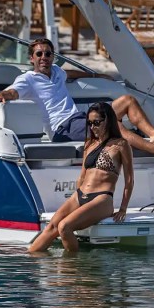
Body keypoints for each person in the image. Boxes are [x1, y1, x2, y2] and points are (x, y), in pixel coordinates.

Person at [0, 38, 154, 160]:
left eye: (48, 54)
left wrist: (97, 75)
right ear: (31, 58)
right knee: (113, 125)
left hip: (80, 118)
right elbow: (13, 92)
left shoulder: (57, 72)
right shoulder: (28, 79)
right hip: (62, 129)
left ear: (53, 57)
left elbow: (72, 73)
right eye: (39, 54)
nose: (44, 57)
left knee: (127, 100)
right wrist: (2, 94)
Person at [28, 102, 134, 252]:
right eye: (90, 123)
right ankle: (30, 261)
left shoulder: (121, 145)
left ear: (108, 121)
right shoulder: (89, 144)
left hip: (102, 198)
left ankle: (74, 269)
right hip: (80, 195)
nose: (92, 127)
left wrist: (123, 208)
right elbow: (82, 176)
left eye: (96, 123)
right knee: (52, 226)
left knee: (64, 227)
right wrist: (76, 199)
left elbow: (129, 179)